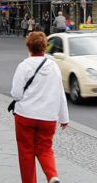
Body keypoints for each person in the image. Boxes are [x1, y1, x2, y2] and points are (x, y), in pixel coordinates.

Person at [10, 31, 68, 183]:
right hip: (48, 117)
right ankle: (52, 175)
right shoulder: (54, 66)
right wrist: (64, 118)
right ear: (44, 47)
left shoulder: (24, 66)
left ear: (29, 47)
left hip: (25, 115)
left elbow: (16, 94)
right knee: (45, 149)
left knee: (26, 152)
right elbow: (60, 93)